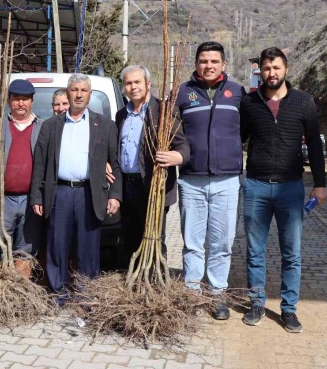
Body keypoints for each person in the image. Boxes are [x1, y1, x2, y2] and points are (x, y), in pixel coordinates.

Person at [240, 47, 327, 333]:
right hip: (256, 186)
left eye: (276, 67)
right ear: (260, 71)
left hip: (291, 188)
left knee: (292, 253)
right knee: (255, 251)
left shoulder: (304, 102)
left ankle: (288, 309)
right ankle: (256, 303)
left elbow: (314, 145)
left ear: (285, 69)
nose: (271, 73)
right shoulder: (249, 102)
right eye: (266, 68)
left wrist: (320, 184)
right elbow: (237, 139)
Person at [30, 73, 121, 304]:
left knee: (88, 246)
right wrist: (37, 197)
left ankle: (86, 293)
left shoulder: (105, 125)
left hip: (89, 193)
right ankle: (57, 293)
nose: (79, 94)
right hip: (58, 193)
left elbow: (116, 163)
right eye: (74, 90)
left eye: (83, 90)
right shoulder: (51, 126)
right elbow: (39, 163)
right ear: (67, 93)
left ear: (89, 94)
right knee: (56, 245)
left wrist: (115, 196)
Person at [175, 41, 246, 320]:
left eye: (214, 61)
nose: (208, 66)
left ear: (223, 64)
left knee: (222, 243)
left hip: (227, 180)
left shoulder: (238, 93)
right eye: (203, 61)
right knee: (192, 242)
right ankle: (191, 294)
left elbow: (249, 129)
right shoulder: (182, 92)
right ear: (196, 64)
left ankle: (217, 294)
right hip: (191, 180)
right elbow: (170, 131)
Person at [110, 65, 190, 262]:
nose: (133, 87)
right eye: (128, 83)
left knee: (154, 238)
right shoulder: (121, 115)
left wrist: (177, 157)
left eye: (137, 82)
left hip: (153, 186)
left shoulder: (163, 111)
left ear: (148, 84)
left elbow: (182, 145)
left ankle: (153, 279)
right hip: (127, 186)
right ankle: (132, 279)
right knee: (130, 237)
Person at [0, 79, 44, 277]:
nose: (21, 104)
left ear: (32, 102)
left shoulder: (42, 127)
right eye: (16, 99)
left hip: (30, 200)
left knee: (25, 246)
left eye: (25, 99)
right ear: (9, 101)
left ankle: (19, 289)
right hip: (2, 198)